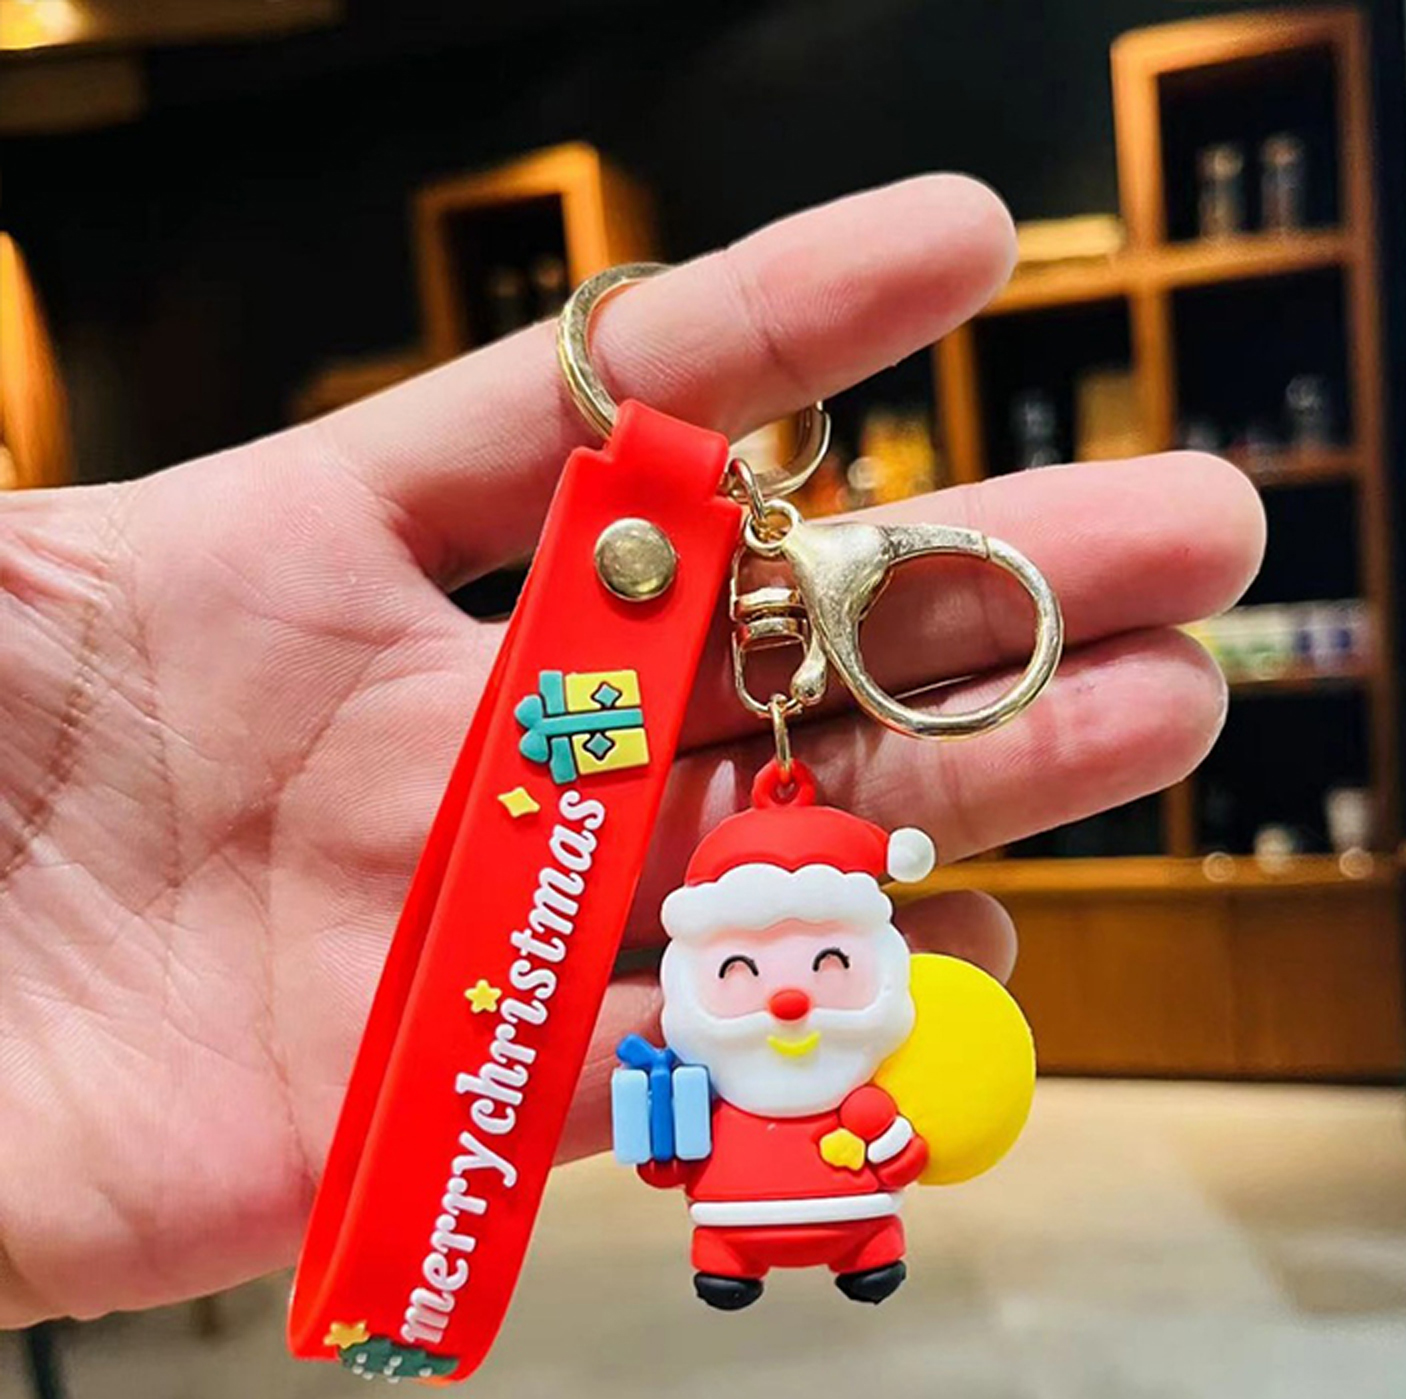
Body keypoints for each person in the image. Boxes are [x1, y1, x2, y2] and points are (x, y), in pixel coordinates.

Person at [0, 175, 1263, 1329]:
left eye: (818, 960)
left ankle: (840, 1245)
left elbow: (876, 1122)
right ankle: (741, 1256)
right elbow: (674, 1143)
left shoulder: (849, 1058)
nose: (785, 998)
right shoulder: (730, 1051)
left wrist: (887, 1137)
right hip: (719, 1195)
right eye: (759, 964)